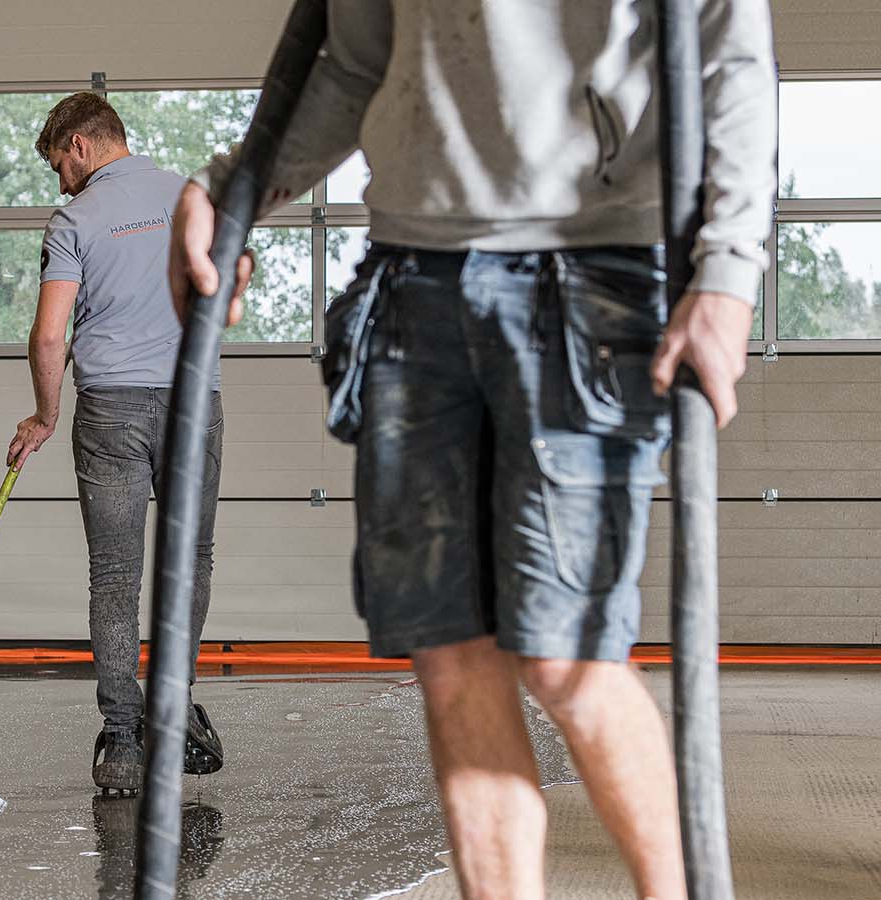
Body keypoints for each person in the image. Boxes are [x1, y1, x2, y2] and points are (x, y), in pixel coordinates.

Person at [171, 4, 773, 897]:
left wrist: (726, 266)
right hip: (415, 273)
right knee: (453, 659)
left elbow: (730, 50)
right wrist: (233, 190)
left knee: (567, 659)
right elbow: (353, 64)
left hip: (590, 263)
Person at [7, 92, 226, 795]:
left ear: (79, 145)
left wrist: (43, 414)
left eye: (57, 167)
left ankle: (124, 745)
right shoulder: (192, 198)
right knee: (186, 560)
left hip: (109, 410)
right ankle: (172, 707)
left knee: (114, 577)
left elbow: (49, 334)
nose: (60, 183)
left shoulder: (75, 217)